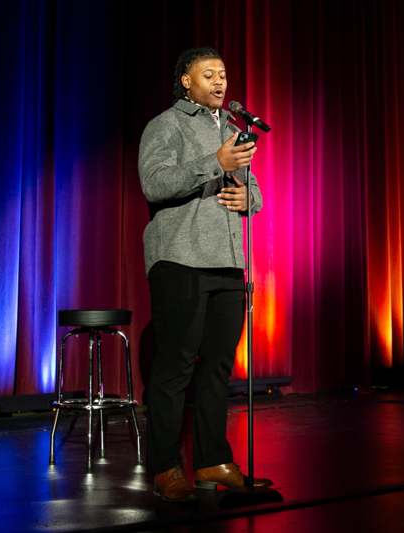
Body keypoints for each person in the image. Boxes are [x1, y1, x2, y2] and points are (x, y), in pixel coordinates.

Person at [138, 47, 273, 502]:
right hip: (180, 260)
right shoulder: (165, 124)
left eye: (224, 74)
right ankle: (164, 467)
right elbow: (154, 183)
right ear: (185, 82)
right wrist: (215, 162)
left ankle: (213, 459)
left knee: (217, 368)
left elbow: (251, 190)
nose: (219, 82)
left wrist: (247, 201)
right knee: (175, 368)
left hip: (229, 262)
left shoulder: (234, 130)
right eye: (208, 74)